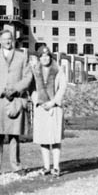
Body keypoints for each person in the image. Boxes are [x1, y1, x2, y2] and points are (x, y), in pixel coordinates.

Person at [0, 30, 32, 176]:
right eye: (4, 39)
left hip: (15, 101)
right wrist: (1, 90)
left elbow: (28, 77)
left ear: (14, 40)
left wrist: (16, 89)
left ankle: (16, 166)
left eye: (10, 39)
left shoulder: (22, 57)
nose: (7, 42)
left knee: (14, 135)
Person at [29, 45, 68, 177]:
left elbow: (62, 87)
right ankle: (46, 166)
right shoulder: (35, 70)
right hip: (41, 108)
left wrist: (53, 102)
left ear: (50, 57)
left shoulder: (58, 70)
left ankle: (56, 167)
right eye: (42, 56)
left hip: (54, 108)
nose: (45, 58)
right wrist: (37, 101)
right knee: (43, 138)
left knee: (55, 138)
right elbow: (32, 88)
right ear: (39, 58)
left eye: (47, 56)